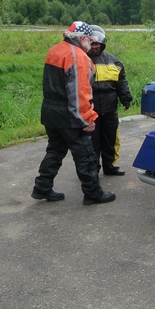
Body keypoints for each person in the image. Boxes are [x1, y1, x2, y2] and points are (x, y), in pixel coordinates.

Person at [31, 21, 116, 205]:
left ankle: (42, 187)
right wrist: (87, 119)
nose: (92, 45)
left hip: (50, 113)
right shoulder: (78, 57)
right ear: (83, 38)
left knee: (55, 151)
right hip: (70, 116)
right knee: (86, 155)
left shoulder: (55, 50)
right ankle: (93, 193)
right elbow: (79, 93)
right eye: (91, 40)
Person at [87, 25, 133, 176]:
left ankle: (110, 165)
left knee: (111, 139)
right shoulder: (82, 60)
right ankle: (92, 169)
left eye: (97, 44)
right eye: (92, 44)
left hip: (110, 108)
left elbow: (121, 82)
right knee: (92, 142)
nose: (94, 47)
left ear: (102, 43)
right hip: (90, 109)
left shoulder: (113, 61)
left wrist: (125, 97)